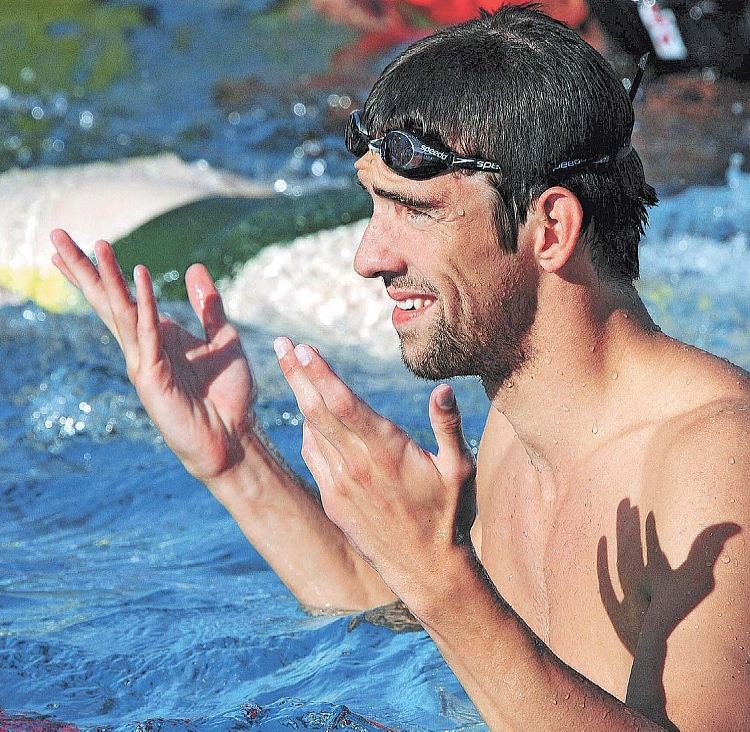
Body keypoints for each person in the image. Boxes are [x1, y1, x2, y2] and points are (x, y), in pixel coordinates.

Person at [50, 6, 749, 730]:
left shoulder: (716, 466)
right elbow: (417, 618)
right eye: (375, 209)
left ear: (551, 228)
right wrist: (233, 460)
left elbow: (452, 605)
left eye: (415, 211)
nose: (368, 257)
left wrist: (443, 583)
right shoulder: (522, 422)